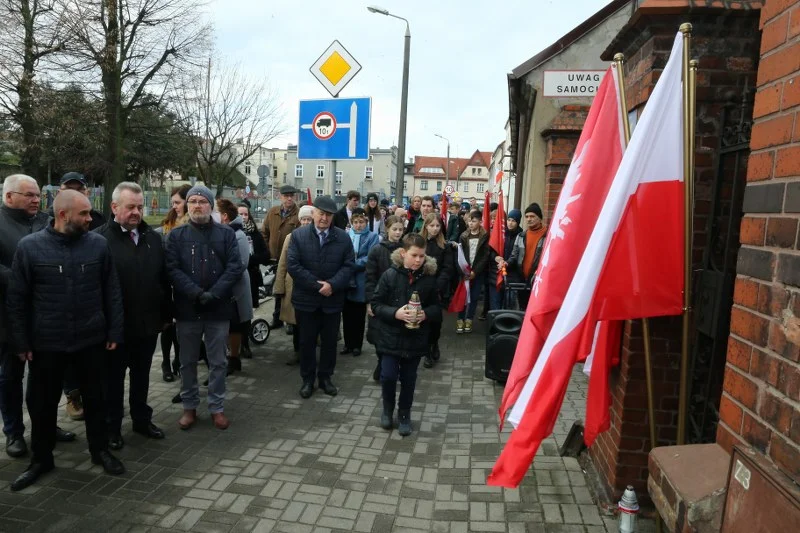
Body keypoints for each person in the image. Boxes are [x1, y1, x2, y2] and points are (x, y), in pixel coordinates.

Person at [6, 190, 125, 491]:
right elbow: (17, 299)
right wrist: (21, 342)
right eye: (84, 214)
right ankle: (41, 458)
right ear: (63, 215)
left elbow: (111, 291)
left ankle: (100, 450)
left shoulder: (98, 245)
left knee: (96, 399)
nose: (90, 219)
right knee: (41, 404)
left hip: (90, 340)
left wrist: (114, 332)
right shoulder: (30, 248)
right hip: (47, 343)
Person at [0, 175, 75, 459]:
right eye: (29, 195)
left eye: (38, 195)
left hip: (46, 315)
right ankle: (14, 432)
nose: (36, 200)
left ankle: (46, 426)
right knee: (10, 377)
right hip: (8, 318)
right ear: (9, 197)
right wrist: (22, 278)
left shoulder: (46, 221)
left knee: (47, 377)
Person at [95, 182, 170, 450]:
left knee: (141, 377)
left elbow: (163, 281)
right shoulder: (99, 240)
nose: (136, 212)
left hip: (147, 326)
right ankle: (112, 427)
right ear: (114, 207)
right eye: (130, 207)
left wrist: (165, 315)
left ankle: (141, 420)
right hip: (115, 331)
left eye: (139, 207)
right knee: (112, 382)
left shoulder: (153, 239)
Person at [165, 185, 244, 431]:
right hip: (188, 308)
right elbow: (172, 268)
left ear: (211, 205)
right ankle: (189, 406)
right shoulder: (176, 236)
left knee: (218, 361)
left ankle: (216, 407)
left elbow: (234, 266)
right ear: (187, 206)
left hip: (217, 308)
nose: (197, 205)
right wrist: (195, 292)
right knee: (187, 360)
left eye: (202, 201)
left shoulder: (226, 234)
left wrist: (215, 293)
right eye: (192, 201)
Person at [371, 233, 442, 436]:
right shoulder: (389, 275)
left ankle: (404, 414)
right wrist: (395, 313)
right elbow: (376, 304)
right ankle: (387, 410)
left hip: (415, 340)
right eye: (414, 255)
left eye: (422, 256)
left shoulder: (428, 279)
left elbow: (438, 308)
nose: (419, 260)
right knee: (388, 376)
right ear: (403, 254)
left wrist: (424, 315)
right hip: (390, 337)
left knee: (409, 379)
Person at [287, 196, 355, 399]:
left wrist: (332, 285)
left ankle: (325, 378)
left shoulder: (343, 238)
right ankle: (308, 380)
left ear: (333, 217)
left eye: (328, 215)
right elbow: (294, 266)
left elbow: (348, 265)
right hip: (306, 301)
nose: (324, 218)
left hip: (332, 301)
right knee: (306, 342)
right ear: (313, 213)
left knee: (329, 342)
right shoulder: (298, 236)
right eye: (321, 213)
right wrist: (318, 286)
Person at [156, 184, 191, 381]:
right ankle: (165, 363)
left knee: (182, 326)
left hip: (184, 285)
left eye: (178, 202)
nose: (175, 206)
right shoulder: (166, 225)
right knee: (168, 326)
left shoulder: (193, 224)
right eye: (173, 203)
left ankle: (179, 359)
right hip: (166, 284)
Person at [365, 215, 405, 381]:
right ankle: (381, 361)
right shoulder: (377, 250)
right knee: (378, 334)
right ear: (387, 229)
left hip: (399, 299)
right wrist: (369, 301)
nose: (397, 232)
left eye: (400, 229)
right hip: (380, 299)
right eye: (394, 229)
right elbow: (370, 277)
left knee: (397, 334)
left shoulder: (405, 249)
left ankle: (391, 365)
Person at [274, 205, 314, 365]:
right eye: (303, 219)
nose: (305, 222)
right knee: (296, 322)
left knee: (310, 323)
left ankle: (309, 352)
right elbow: (283, 263)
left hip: (311, 286)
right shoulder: (291, 237)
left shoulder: (317, 238)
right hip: (292, 285)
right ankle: (298, 351)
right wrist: (279, 287)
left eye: (308, 219)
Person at [216, 198, 253, 374]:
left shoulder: (239, 235)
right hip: (223, 288)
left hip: (234, 290)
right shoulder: (219, 232)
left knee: (234, 325)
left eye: (215, 212)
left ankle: (234, 358)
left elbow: (241, 264)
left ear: (224, 216)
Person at [341, 208, 380, 357]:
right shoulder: (346, 236)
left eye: (361, 222)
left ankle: (357, 345)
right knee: (347, 314)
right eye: (355, 222)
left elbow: (370, 257)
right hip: (346, 279)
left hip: (360, 278)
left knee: (358, 314)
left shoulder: (372, 237)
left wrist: (351, 264)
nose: (358, 225)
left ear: (366, 222)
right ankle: (347, 343)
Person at [262, 185, 299, 330]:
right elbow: (264, 232)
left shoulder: (298, 214)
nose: (289, 198)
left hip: (291, 259)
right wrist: (267, 251)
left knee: (290, 291)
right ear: (280, 197)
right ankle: (277, 318)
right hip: (274, 258)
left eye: (291, 195)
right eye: (286, 196)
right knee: (278, 290)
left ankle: (290, 320)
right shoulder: (273, 212)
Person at [419, 213, 453, 367]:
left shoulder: (444, 246)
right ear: (426, 226)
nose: (434, 229)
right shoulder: (419, 243)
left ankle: (434, 343)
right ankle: (426, 351)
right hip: (420, 287)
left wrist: (438, 285)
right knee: (423, 321)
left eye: (437, 226)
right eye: (431, 225)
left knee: (436, 322)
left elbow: (447, 268)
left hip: (437, 289)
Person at [237, 202, 268, 358]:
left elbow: (265, 255)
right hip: (236, 278)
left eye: (245, 214)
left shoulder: (255, 234)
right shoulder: (230, 232)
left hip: (252, 277)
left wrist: (250, 259)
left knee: (247, 313)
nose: (243, 217)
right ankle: (235, 345)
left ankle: (245, 344)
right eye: (240, 214)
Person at [508, 203, 548, 309]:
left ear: (539, 218)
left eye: (532, 216)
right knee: (522, 308)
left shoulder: (548, 235)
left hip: (539, 281)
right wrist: (506, 263)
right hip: (522, 280)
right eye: (527, 216)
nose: (529, 219)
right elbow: (514, 255)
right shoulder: (521, 236)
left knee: (535, 308)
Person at [456, 211, 490, 334]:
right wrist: (463, 270)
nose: (471, 223)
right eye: (469, 221)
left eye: (474, 221)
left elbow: (485, 256)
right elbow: (460, 255)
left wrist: (475, 271)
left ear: (480, 222)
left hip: (477, 272)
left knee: (474, 297)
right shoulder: (463, 236)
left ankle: (469, 319)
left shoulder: (485, 236)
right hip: (465, 271)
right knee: (463, 295)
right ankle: (460, 318)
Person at [493, 209, 523, 308]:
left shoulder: (521, 236)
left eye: (513, 221)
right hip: (499, 272)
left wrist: (506, 263)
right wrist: (495, 257)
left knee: (510, 303)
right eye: (509, 220)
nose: (510, 223)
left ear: (518, 222)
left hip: (513, 274)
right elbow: (493, 249)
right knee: (497, 302)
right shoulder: (502, 233)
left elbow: (517, 255)